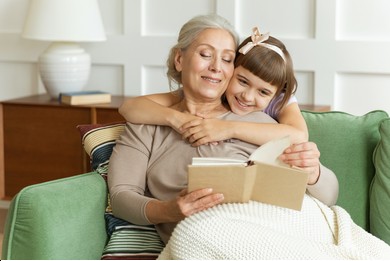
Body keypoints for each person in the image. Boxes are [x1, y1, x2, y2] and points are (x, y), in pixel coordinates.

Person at [108, 14, 339, 246]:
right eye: (206, 55)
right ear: (179, 59)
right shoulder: (147, 124)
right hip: (201, 238)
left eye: (227, 59)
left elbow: (328, 197)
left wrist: (313, 173)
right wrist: (169, 210)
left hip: (274, 231)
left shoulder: (259, 123)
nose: (216, 67)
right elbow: (120, 198)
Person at [118, 28, 308, 146]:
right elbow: (130, 107)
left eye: (263, 92)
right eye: (242, 81)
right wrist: (177, 119)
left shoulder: (279, 99)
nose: (248, 97)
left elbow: (299, 135)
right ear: (231, 68)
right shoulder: (217, 91)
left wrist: (228, 129)